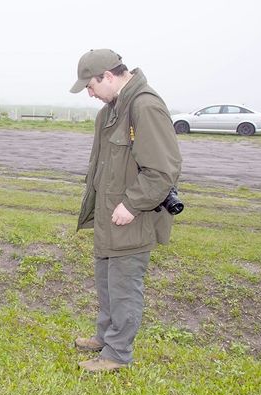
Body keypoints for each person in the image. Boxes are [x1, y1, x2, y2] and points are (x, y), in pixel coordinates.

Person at [70, 49, 182, 372]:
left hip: (132, 217)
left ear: (107, 76)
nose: (89, 94)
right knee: (107, 282)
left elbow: (163, 170)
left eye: (90, 86)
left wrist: (132, 204)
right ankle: (106, 336)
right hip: (109, 217)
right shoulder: (110, 111)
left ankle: (118, 353)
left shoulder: (145, 106)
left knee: (124, 286)